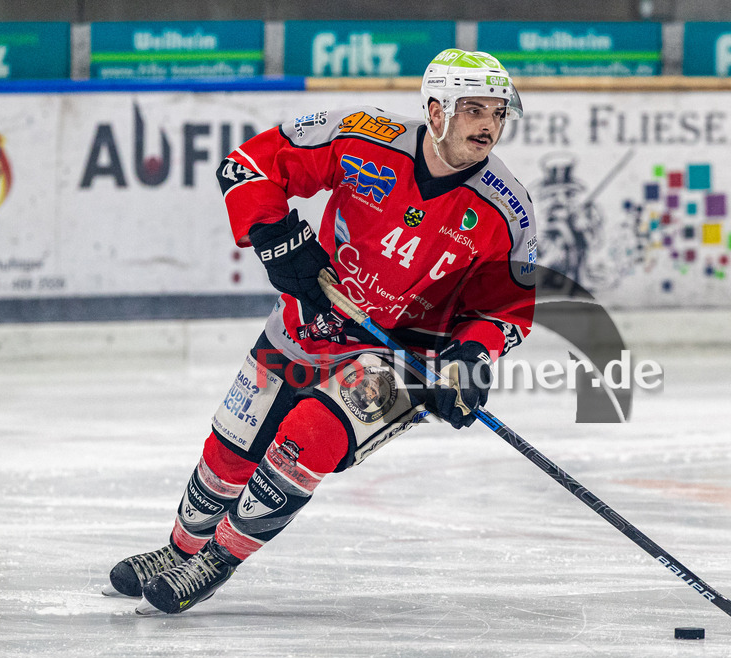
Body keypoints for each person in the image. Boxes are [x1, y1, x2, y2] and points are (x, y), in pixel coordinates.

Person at [105, 49, 537, 615]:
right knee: (230, 449)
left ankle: (218, 559)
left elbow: (505, 311)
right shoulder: (364, 137)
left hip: (401, 359)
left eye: (498, 112)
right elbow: (249, 165)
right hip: (311, 322)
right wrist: (279, 239)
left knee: (308, 434)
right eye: (473, 108)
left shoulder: (506, 211)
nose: (488, 124)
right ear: (435, 110)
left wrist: (469, 360)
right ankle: (179, 549)